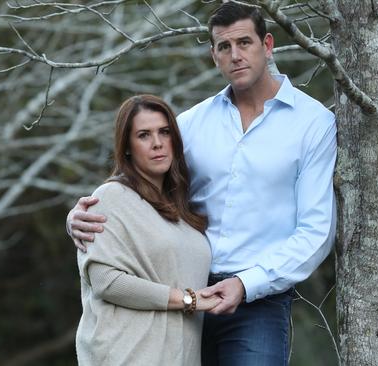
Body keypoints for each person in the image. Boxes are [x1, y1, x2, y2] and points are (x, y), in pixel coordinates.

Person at [69, 3, 337, 366]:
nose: (235, 55)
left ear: (268, 44)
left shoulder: (312, 123)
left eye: (245, 43)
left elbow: (316, 231)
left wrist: (246, 284)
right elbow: (147, 189)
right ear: (214, 55)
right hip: (185, 292)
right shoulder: (191, 123)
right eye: (224, 47)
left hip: (258, 300)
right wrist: (81, 215)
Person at [75, 94, 222, 366]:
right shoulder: (110, 198)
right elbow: (107, 282)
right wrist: (188, 299)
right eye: (144, 135)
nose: (157, 143)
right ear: (127, 146)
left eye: (164, 132)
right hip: (128, 356)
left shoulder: (181, 210)